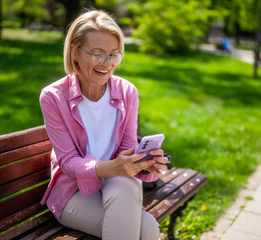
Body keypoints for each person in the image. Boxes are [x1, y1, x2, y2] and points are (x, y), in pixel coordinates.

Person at [39, 9, 169, 240]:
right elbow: (68, 162)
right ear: (75, 53)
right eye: (97, 53)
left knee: (126, 185)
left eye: (114, 55)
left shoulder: (127, 92)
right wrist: (115, 168)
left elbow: (127, 148)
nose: (106, 64)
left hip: (117, 185)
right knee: (146, 229)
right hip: (73, 191)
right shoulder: (53, 97)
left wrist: (144, 162)